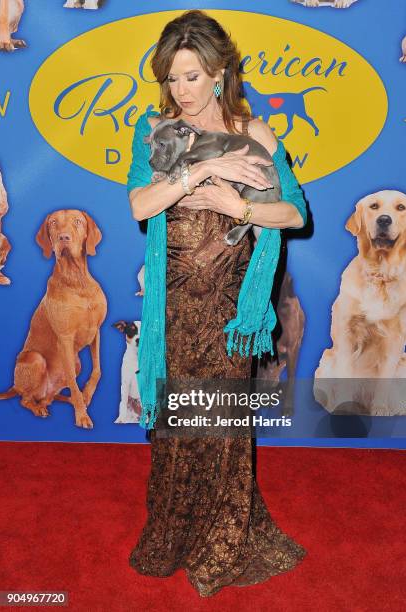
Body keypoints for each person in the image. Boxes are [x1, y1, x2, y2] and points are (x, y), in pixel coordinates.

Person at [126, 9, 308, 598]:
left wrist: (241, 209)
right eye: (173, 78)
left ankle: (225, 532)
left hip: (231, 309)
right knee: (181, 424)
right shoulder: (155, 132)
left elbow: (293, 214)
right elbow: (140, 206)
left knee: (222, 422)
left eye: (193, 77)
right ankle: (177, 528)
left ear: (220, 71)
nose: (182, 91)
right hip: (172, 305)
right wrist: (201, 169)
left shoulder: (256, 135)